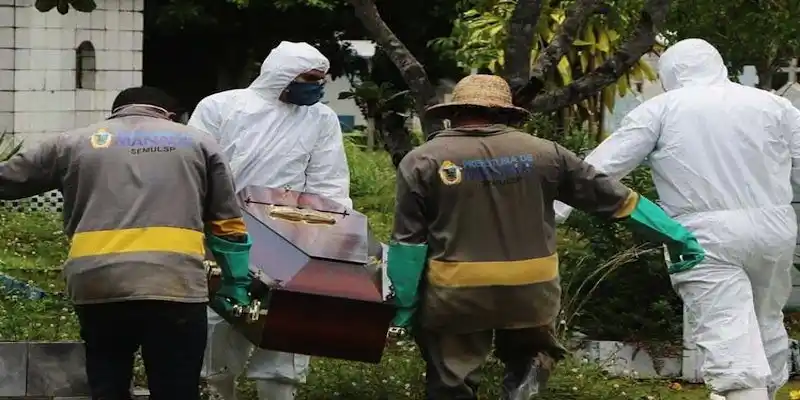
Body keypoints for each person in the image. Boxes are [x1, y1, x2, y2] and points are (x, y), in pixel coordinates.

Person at [386, 74, 704, 400]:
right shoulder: (546, 154)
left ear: (452, 113)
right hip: (532, 287)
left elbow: (408, 243)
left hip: (456, 291)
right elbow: (618, 201)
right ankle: (527, 379)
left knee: (451, 377)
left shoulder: (422, 160)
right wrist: (676, 236)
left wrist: (405, 306)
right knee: (532, 350)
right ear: (507, 114)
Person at [553, 38, 800, 400]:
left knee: (729, 336)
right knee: (766, 323)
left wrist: (552, 211)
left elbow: (597, 171)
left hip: (703, 236)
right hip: (774, 230)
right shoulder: (774, 105)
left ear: (671, 72)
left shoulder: (661, 109)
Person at [0, 86, 253, 400]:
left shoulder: (72, 142)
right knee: (176, 388)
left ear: (115, 113)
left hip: (97, 283)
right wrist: (235, 281)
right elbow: (227, 222)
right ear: (170, 116)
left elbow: (7, 179)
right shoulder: (197, 142)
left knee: (108, 382)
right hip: (174, 284)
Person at [188, 41, 351, 400]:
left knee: (286, 330)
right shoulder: (221, 107)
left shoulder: (320, 118)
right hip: (221, 232)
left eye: (321, 79)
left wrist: (328, 238)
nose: (317, 86)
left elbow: (329, 182)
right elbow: (195, 171)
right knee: (217, 322)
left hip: (291, 236)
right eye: (309, 78)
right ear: (283, 74)